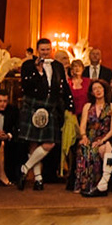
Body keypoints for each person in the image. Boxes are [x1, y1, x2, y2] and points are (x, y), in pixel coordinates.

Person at [17, 37, 72, 190]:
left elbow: (64, 86)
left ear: (51, 50)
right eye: (42, 50)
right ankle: (38, 179)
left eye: (48, 50)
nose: (45, 53)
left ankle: (25, 168)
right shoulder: (28, 65)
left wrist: (69, 104)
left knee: (49, 143)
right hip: (33, 106)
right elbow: (26, 86)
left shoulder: (58, 66)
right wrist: (39, 72)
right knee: (34, 143)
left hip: (50, 107)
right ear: (37, 50)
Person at [74, 77, 112, 196]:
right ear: (92, 93)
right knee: (84, 148)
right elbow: (82, 125)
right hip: (89, 137)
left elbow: (111, 130)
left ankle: (100, 185)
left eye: (100, 88)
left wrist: (101, 141)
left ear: (105, 90)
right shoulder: (88, 106)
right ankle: (85, 185)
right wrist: (83, 136)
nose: (98, 90)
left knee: (102, 148)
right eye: (95, 89)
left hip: (104, 138)